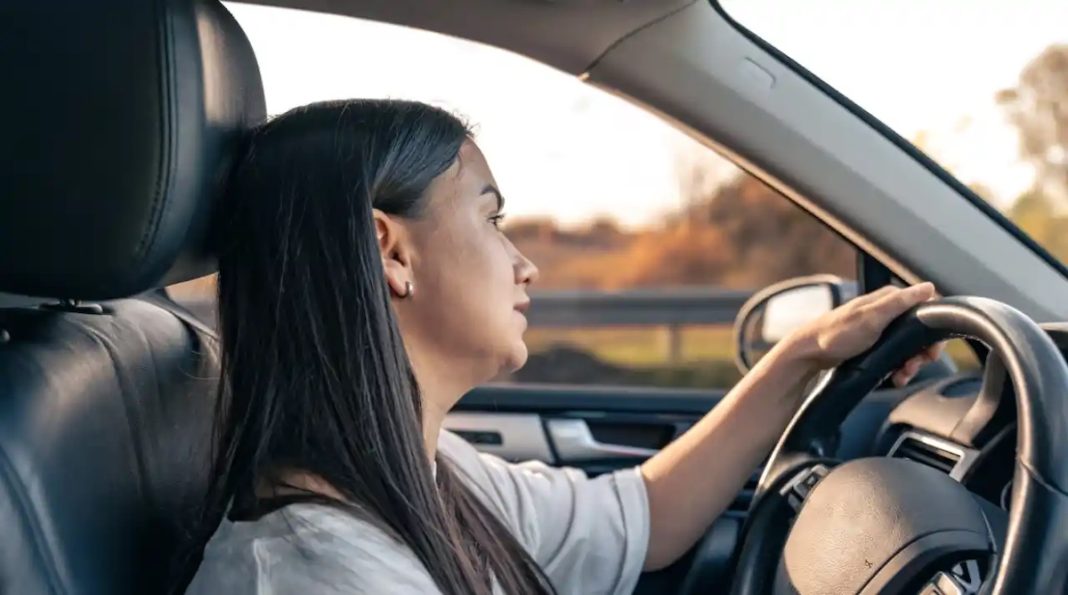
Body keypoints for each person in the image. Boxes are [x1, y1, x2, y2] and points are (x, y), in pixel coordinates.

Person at [183, 99, 940, 595]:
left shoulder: (427, 476)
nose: (526, 263)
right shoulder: (315, 575)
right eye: (491, 219)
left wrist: (804, 354)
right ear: (391, 251)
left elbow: (646, 513)